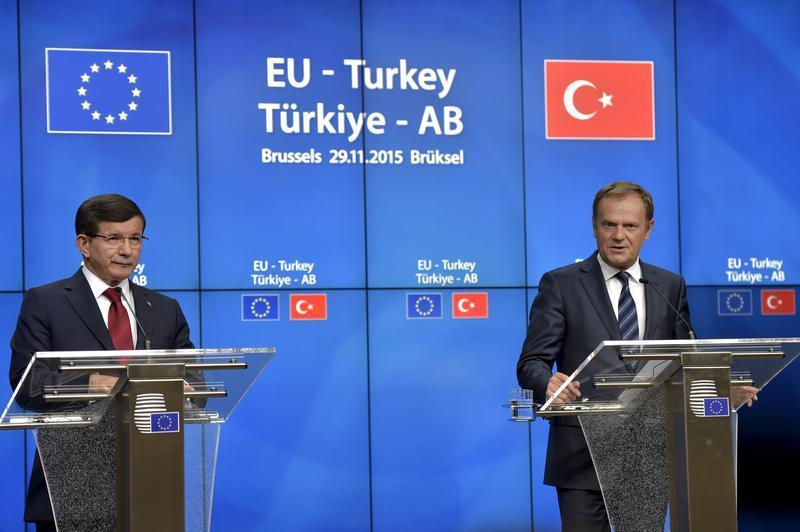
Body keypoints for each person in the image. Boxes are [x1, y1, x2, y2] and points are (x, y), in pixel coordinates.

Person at [516, 181, 756, 531]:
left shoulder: (668, 285)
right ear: (595, 226)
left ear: (649, 229)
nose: (618, 235)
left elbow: (686, 360)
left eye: (630, 226)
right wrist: (549, 382)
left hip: (647, 452)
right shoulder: (561, 284)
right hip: (582, 453)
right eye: (609, 224)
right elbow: (531, 363)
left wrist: (719, 391)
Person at [9, 194, 194, 532]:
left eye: (135, 238)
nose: (127, 250)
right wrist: (92, 383)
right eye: (114, 238)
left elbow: (196, 382)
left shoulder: (165, 309)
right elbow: (28, 384)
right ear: (84, 243)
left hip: (152, 485)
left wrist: (186, 389)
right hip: (73, 488)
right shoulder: (46, 302)